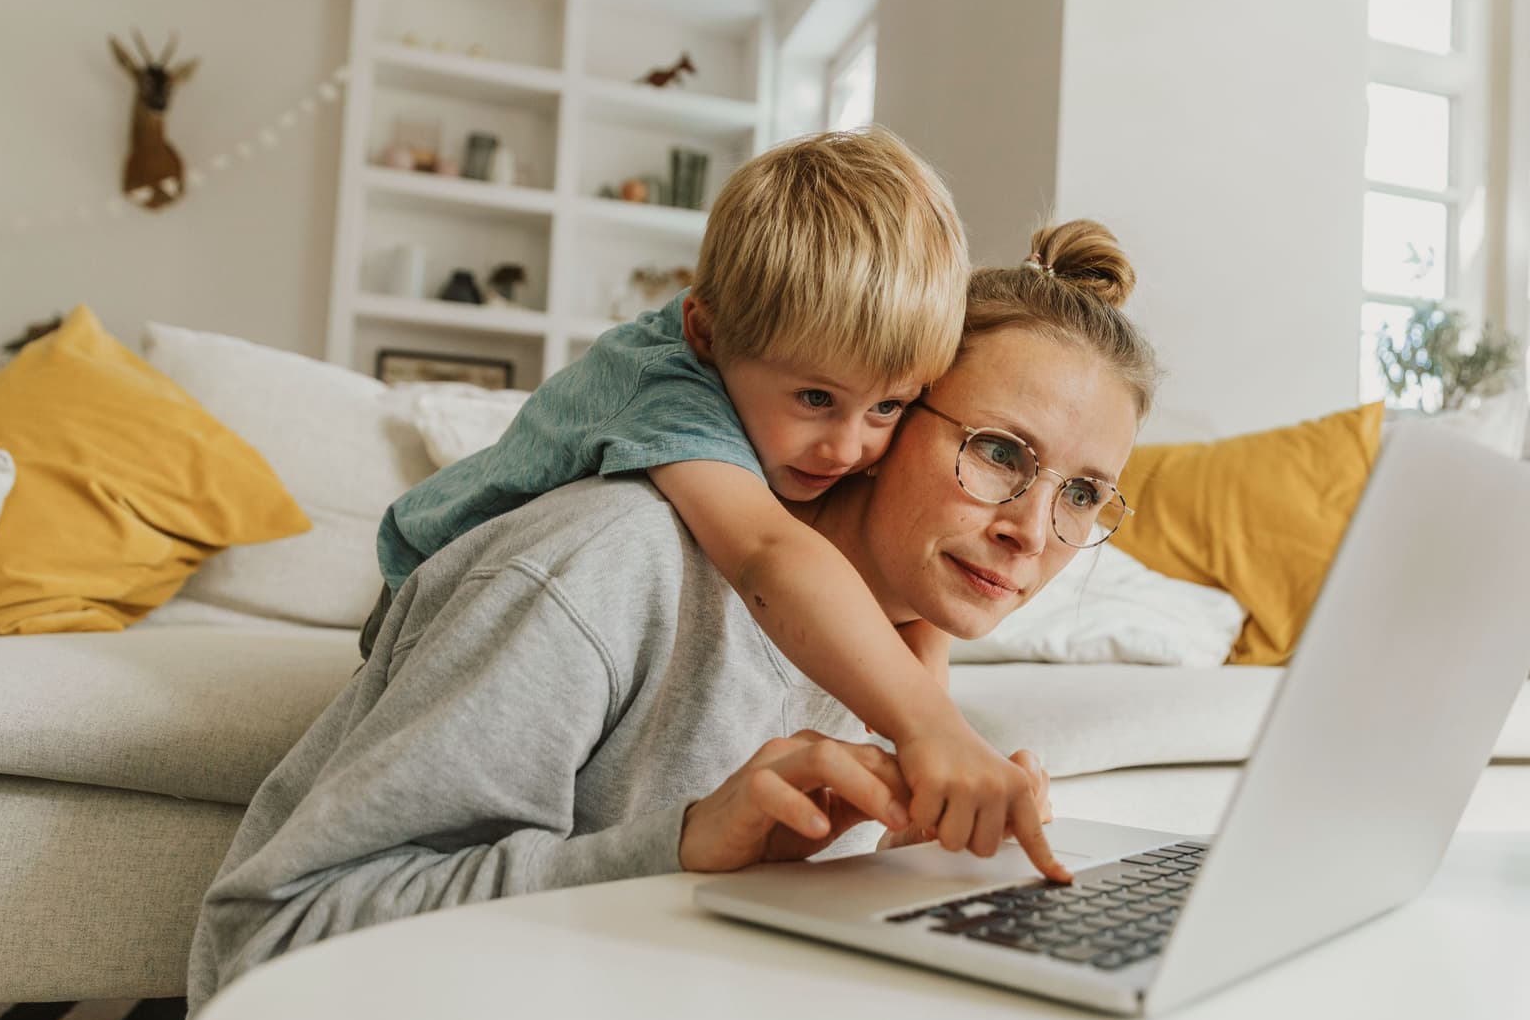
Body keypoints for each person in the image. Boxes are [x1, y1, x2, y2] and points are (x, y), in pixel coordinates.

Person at [187, 220, 1161, 1014]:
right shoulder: (601, 568)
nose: (1033, 531)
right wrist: (682, 846)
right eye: (1000, 452)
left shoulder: (899, 649)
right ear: (893, 407)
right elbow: (268, 943)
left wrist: (907, 880)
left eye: (1084, 494)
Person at [369, 127, 1053, 873]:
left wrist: (933, 741)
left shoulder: (800, 398)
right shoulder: (670, 386)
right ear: (705, 333)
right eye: (817, 398)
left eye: (888, 408)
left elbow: (909, 603)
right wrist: (930, 730)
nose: (848, 447)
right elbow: (767, 554)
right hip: (431, 590)